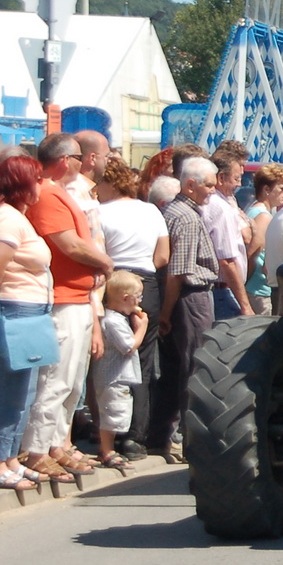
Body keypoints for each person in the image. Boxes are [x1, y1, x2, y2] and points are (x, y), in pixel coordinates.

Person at [20, 133, 112, 479]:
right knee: (56, 381)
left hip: (76, 298)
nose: (81, 163)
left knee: (72, 382)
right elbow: (68, 244)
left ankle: (57, 443)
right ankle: (38, 448)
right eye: (77, 157)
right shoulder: (46, 193)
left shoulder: (58, 192)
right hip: (62, 299)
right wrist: (104, 262)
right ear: (64, 161)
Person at [0, 154, 53, 494]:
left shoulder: (16, 217)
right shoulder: (5, 218)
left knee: (24, 390)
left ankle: (9, 457)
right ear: (22, 183)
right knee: (8, 389)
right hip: (15, 308)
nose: (40, 186)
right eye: (36, 179)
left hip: (30, 308)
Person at [92, 157, 168, 459]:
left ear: (108, 183)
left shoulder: (99, 212)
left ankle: (107, 431)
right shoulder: (150, 210)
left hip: (112, 281)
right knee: (143, 362)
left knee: (105, 360)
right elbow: (162, 255)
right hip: (145, 282)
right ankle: (137, 435)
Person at [148, 158, 222, 462]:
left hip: (181, 297)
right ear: (190, 184)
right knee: (194, 368)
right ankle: (182, 438)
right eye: (208, 185)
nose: (212, 192)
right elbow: (178, 272)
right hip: (190, 299)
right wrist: (166, 314)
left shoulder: (174, 211)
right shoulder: (187, 217)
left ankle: (160, 436)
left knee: (175, 369)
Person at [92, 271, 147, 469]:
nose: (141, 300)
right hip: (113, 378)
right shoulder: (112, 321)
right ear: (125, 298)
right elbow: (128, 346)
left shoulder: (117, 319)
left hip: (117, 378)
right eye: (138, 296)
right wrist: (142, 328)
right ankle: (107, 451)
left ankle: (108, 449)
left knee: (117, 413)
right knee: (112, 414)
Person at [202, 153, 254, 319]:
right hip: (223, 290)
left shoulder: (217, 203)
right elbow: (226, 260)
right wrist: (245, 305)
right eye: (236, 178)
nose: (239, 184)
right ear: (221, 177)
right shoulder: (220, 208)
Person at [244, 162, 283, 315]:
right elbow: (252, 254)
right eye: (282, 188)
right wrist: (244, 284)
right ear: (266, 189)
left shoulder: (254, 210)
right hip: (258, 290)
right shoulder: (263, 216)